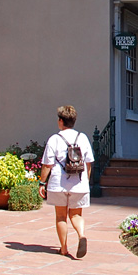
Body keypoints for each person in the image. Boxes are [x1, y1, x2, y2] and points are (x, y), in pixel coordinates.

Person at [37, 105, 94, 258]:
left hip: (58, 183)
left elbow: (47, 164)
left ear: (61, 121)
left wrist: (42, 183)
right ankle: (81, 235)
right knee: (76, 215)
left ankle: (63, 248)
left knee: (61, 216)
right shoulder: (82, 138)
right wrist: (86, 182)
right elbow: (89, 163)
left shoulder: (54, 139)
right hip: (79, 183)